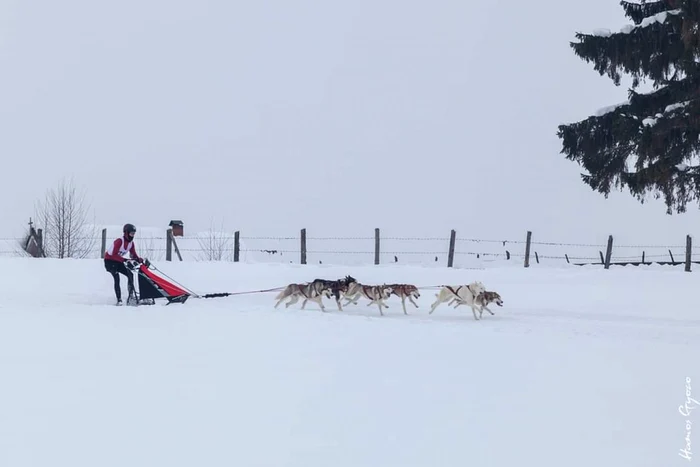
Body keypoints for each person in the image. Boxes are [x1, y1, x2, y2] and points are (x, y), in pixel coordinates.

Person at [104, 223, 144, 305]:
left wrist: (138, 259)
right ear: (126, 233)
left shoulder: (131, 243)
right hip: (109, 261)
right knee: (116, 277)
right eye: (131, 233)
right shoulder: (119, 241)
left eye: (133, 234)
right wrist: (125, 260)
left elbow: (133, 254)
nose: (132, 236)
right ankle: (119, 300)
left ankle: (131, 296)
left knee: (130, 274)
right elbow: (113, 255)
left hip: (118, 261)